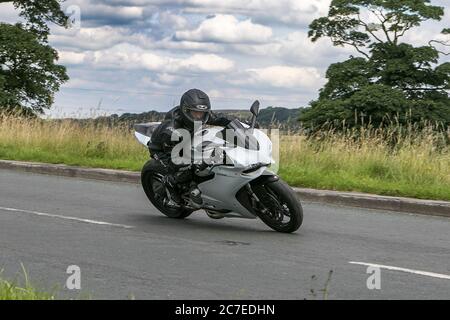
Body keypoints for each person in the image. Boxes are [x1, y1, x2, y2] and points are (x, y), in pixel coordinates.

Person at [150, 89, 236, 206]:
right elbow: (174, 159)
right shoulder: (171, 130)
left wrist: (239, 124)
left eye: (202, 113)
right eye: (195, 113)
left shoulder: (202, 114)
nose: (199, 116)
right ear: (186, 111)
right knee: (186, 169)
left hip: (186, 139)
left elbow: (220, 118)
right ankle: (169, 184)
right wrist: (194, 163)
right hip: (163, 149)